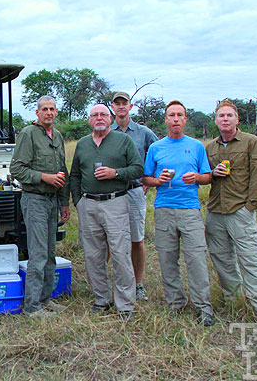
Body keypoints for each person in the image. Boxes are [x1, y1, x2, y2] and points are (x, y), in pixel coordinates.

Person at [205, 100, 257, 327]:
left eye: (229, 115)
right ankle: (233, 300)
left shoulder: (250, 143)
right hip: (216, 211)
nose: (225, 119)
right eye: (220, 116)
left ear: (237, 119)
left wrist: (250, 208)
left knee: (250, 259)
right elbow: (205, 176)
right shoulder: (211, 147)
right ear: (215, 120)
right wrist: (213, 173)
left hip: (240, 211)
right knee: (222, 260)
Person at [143, 100, 215, 326]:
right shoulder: (156, 148)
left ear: (185, 119)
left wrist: (197, 178)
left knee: (196, 259)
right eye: (171, 115)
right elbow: (146, 178)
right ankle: (175, 303)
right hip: (164, 209)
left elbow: (207, 176)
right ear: (165, 119)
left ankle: (203, 307)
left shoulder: (196, 146)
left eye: (179, 115)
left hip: (190, 210)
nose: (175, 119)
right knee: (167, 259)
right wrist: (158, 180)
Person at [69, 103, 142, 319]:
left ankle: (126, 305)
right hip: (88, 205)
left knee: (120, 254)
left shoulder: (123, 141)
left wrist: (115, 173)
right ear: (89, 119)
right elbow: (74, 175)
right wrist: (78, 201)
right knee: (93, 255)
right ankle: (101, 299)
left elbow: (138, 169)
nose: (99, 118)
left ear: (109, 118)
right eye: (95, 115)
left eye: (103, 114)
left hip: (116, 202)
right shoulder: (82, 144)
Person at [10, 96, 71, 318]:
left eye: (52, 109)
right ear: (37, 113)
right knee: (37, 255)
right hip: (34, 198)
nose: (48, 113)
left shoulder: (58, 136)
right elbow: (17, 168)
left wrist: (64, 202)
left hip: (52, 202)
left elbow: (62, 170)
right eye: (44, 109)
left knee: (50, 253)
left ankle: (46, 300)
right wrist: (44, 177)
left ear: (56, 112)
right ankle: (32, 307)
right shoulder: (28, 134)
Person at [110, 91, 159, 302]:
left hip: (134, 191)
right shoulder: (105, 130)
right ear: (112, 107)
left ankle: (138, 285)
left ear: (131, 107)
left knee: (136, 239)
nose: (121, 107)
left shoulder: (143, 133)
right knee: (109, 239)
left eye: (125, 103)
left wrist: (149, 180)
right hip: (109, 193)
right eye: (117, 103)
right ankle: (111, 284)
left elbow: (158, 154)